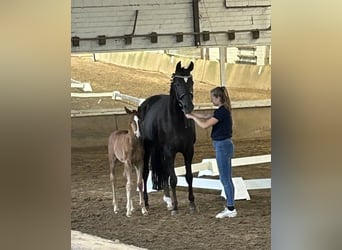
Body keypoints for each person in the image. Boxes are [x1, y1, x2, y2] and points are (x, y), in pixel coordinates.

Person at [185, 86, 237, 218]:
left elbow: (204, 125)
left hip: (222, 146)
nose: (211, 100)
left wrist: (192, 118)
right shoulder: (222, 110)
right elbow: (206, 115)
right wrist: (192, 113)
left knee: (225, 178)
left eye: (212, 98)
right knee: (226, 178)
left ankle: (231, 208)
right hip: (223, 145)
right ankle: (230, 206)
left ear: (218, 98)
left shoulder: (221, 112)